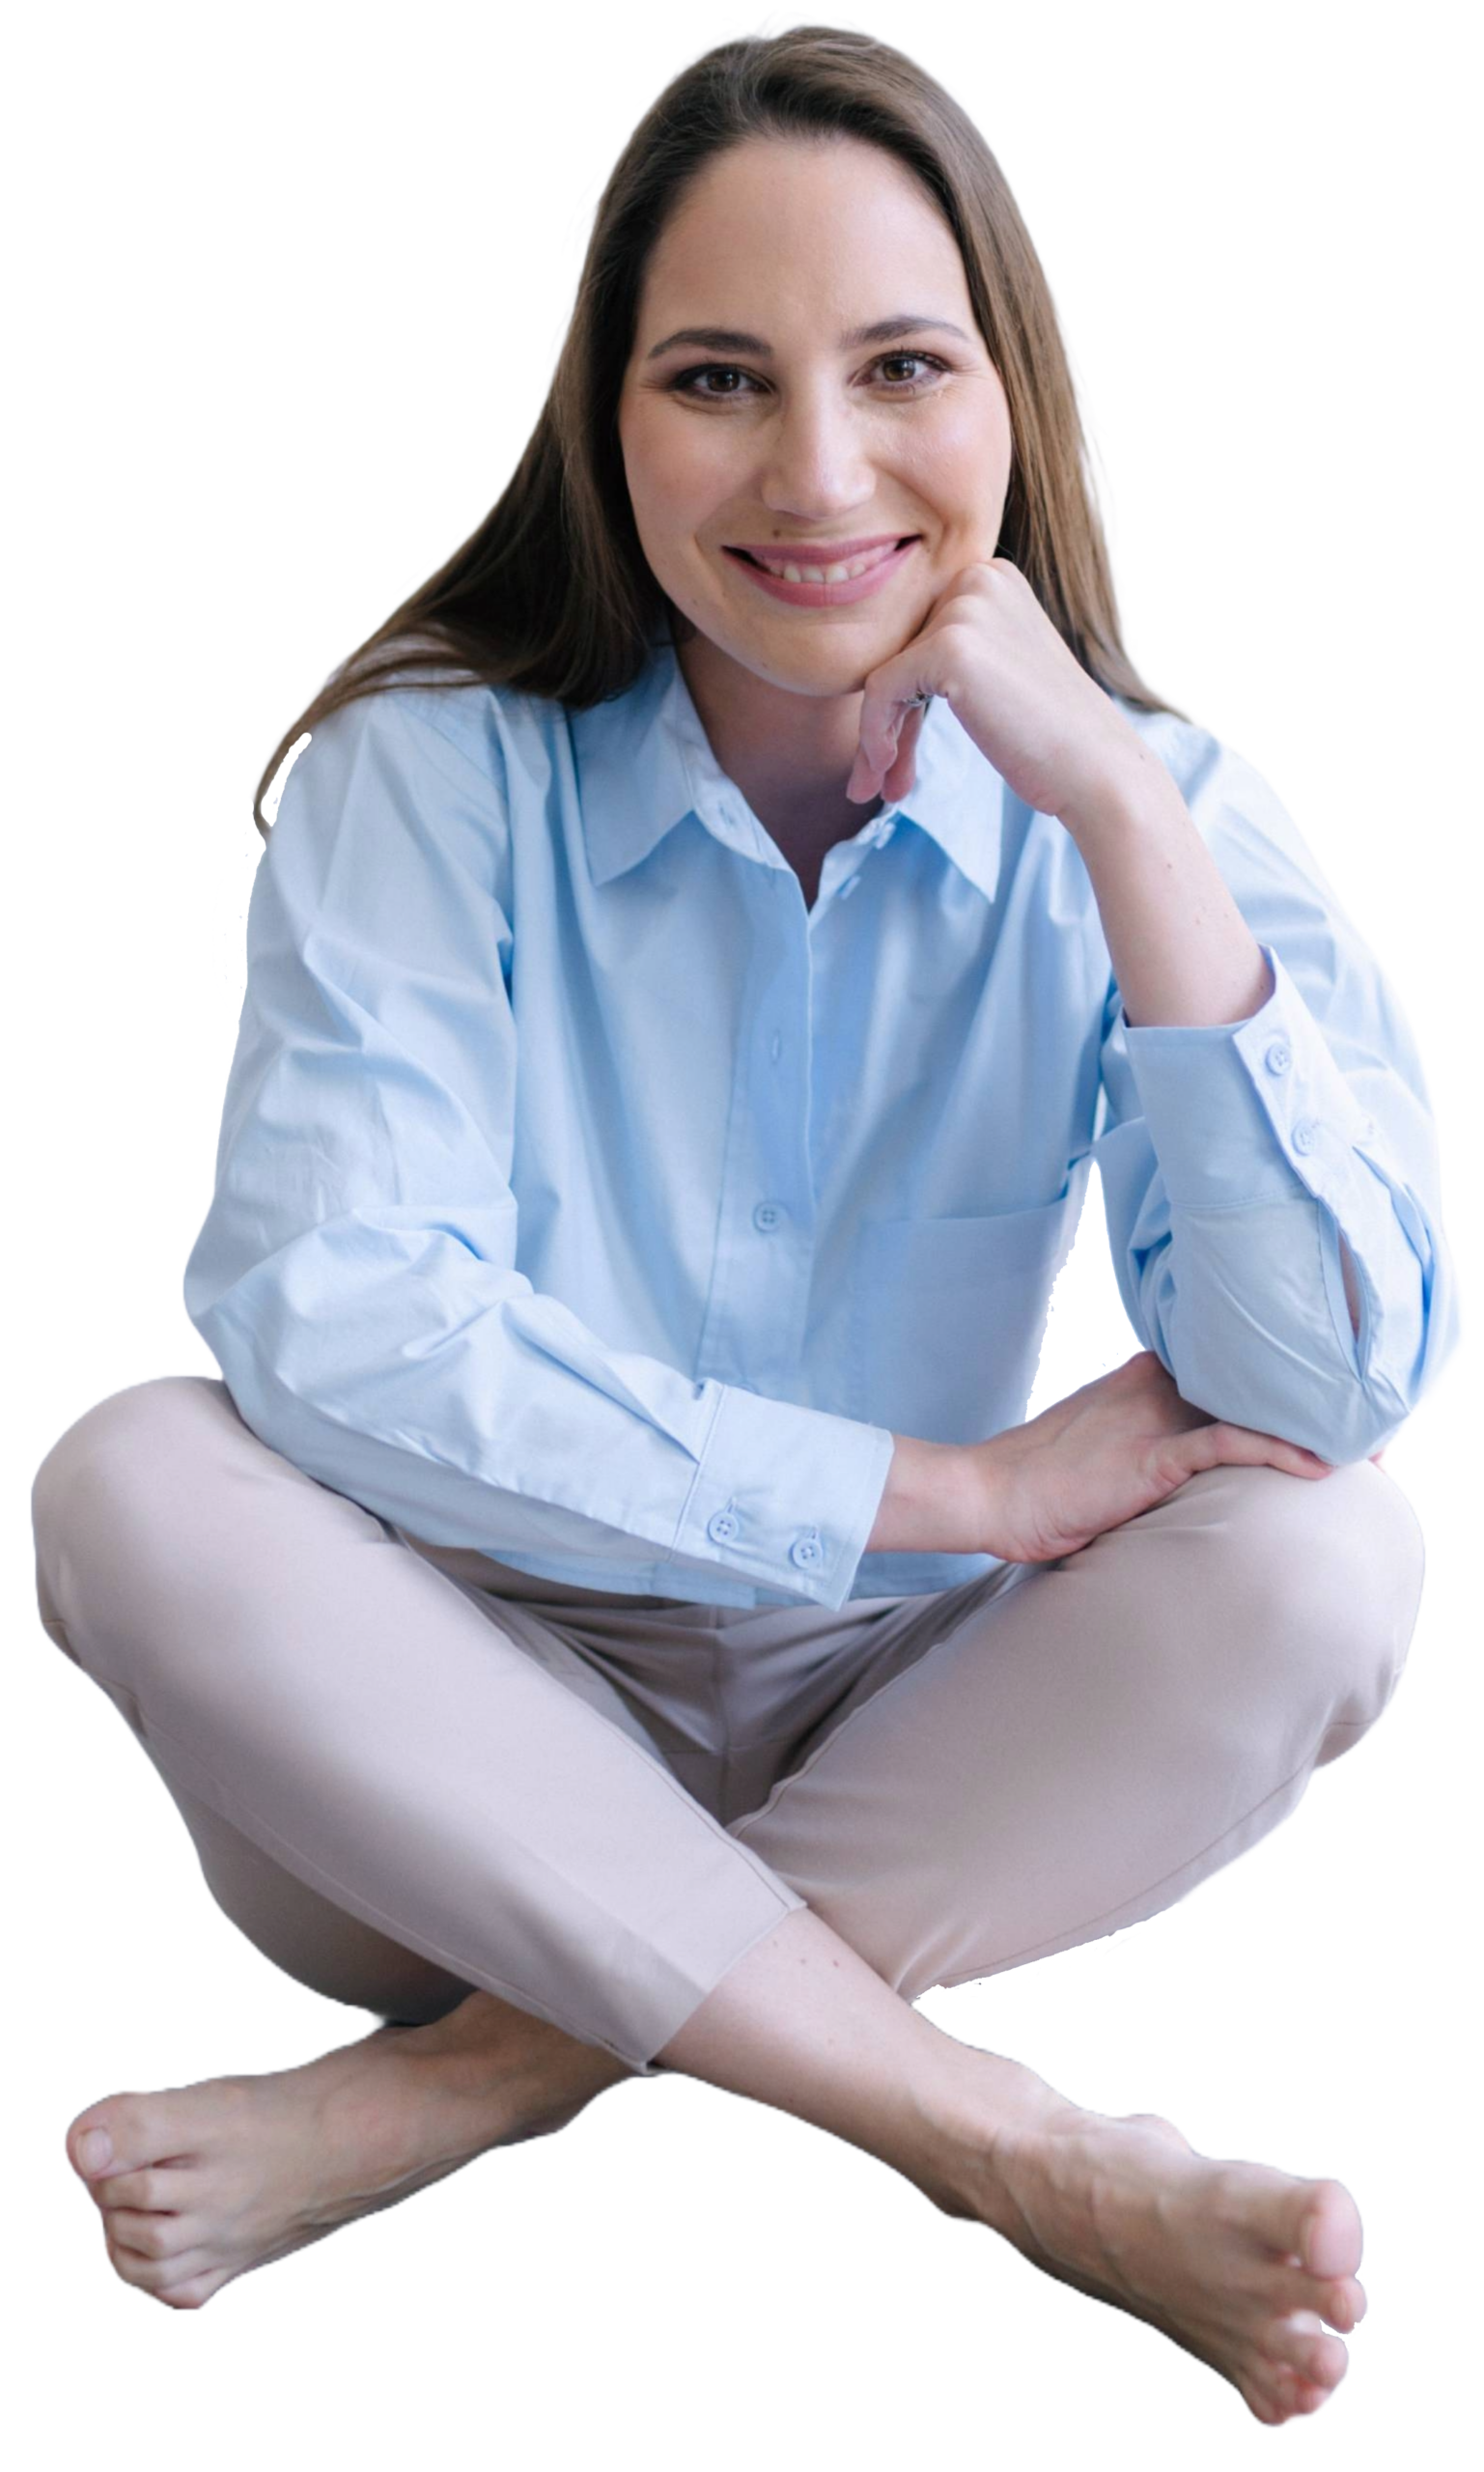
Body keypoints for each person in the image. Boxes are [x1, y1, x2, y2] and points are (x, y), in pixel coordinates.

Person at [31, 18, 1454, 2430]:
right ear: (607, 422)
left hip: (916, 1738)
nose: (815, 472)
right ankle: (1005, 2144)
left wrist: (1121, 818)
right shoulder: (428, 765)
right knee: (130, 1476)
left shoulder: (1161, 807)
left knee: (1338, 1551)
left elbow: (1326, 1378)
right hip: (433, 1743)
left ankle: (472, 2080)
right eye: (717, 378)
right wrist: (955, 1488)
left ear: (1013, 398)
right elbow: (336, 1316)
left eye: (901, 367)